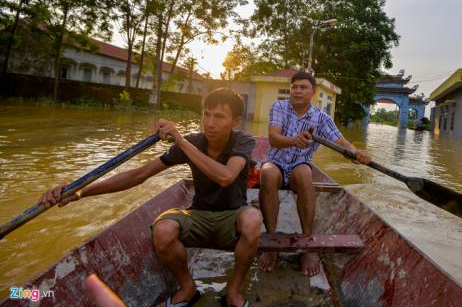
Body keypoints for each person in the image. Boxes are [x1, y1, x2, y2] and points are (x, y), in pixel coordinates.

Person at [40, 88, 260, 307]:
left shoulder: (243, 141)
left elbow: (225, 176)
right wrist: (79, 191)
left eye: (219, 117)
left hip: (232, 217)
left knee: (252, 220)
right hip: (199, 215)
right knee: (162, 229)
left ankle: (233, 292)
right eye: (206, 114)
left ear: (235, 121)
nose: (209, 123)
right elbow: (139, 174)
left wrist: (181, 142)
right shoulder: (194, 142)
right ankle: (187, 288)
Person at [257, 71, 371, 276]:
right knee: (266, 173)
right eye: (294, 87)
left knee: (304, 175)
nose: (297, 91)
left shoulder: (321, 118)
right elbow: (273, 138)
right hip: (276, 161)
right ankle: (271, 242)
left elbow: (340, 141)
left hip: (300, 165)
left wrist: (356, 153)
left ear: (313, 92)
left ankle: (308, 244)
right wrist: (293, 140)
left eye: (303, 87)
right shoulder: (279, 107)